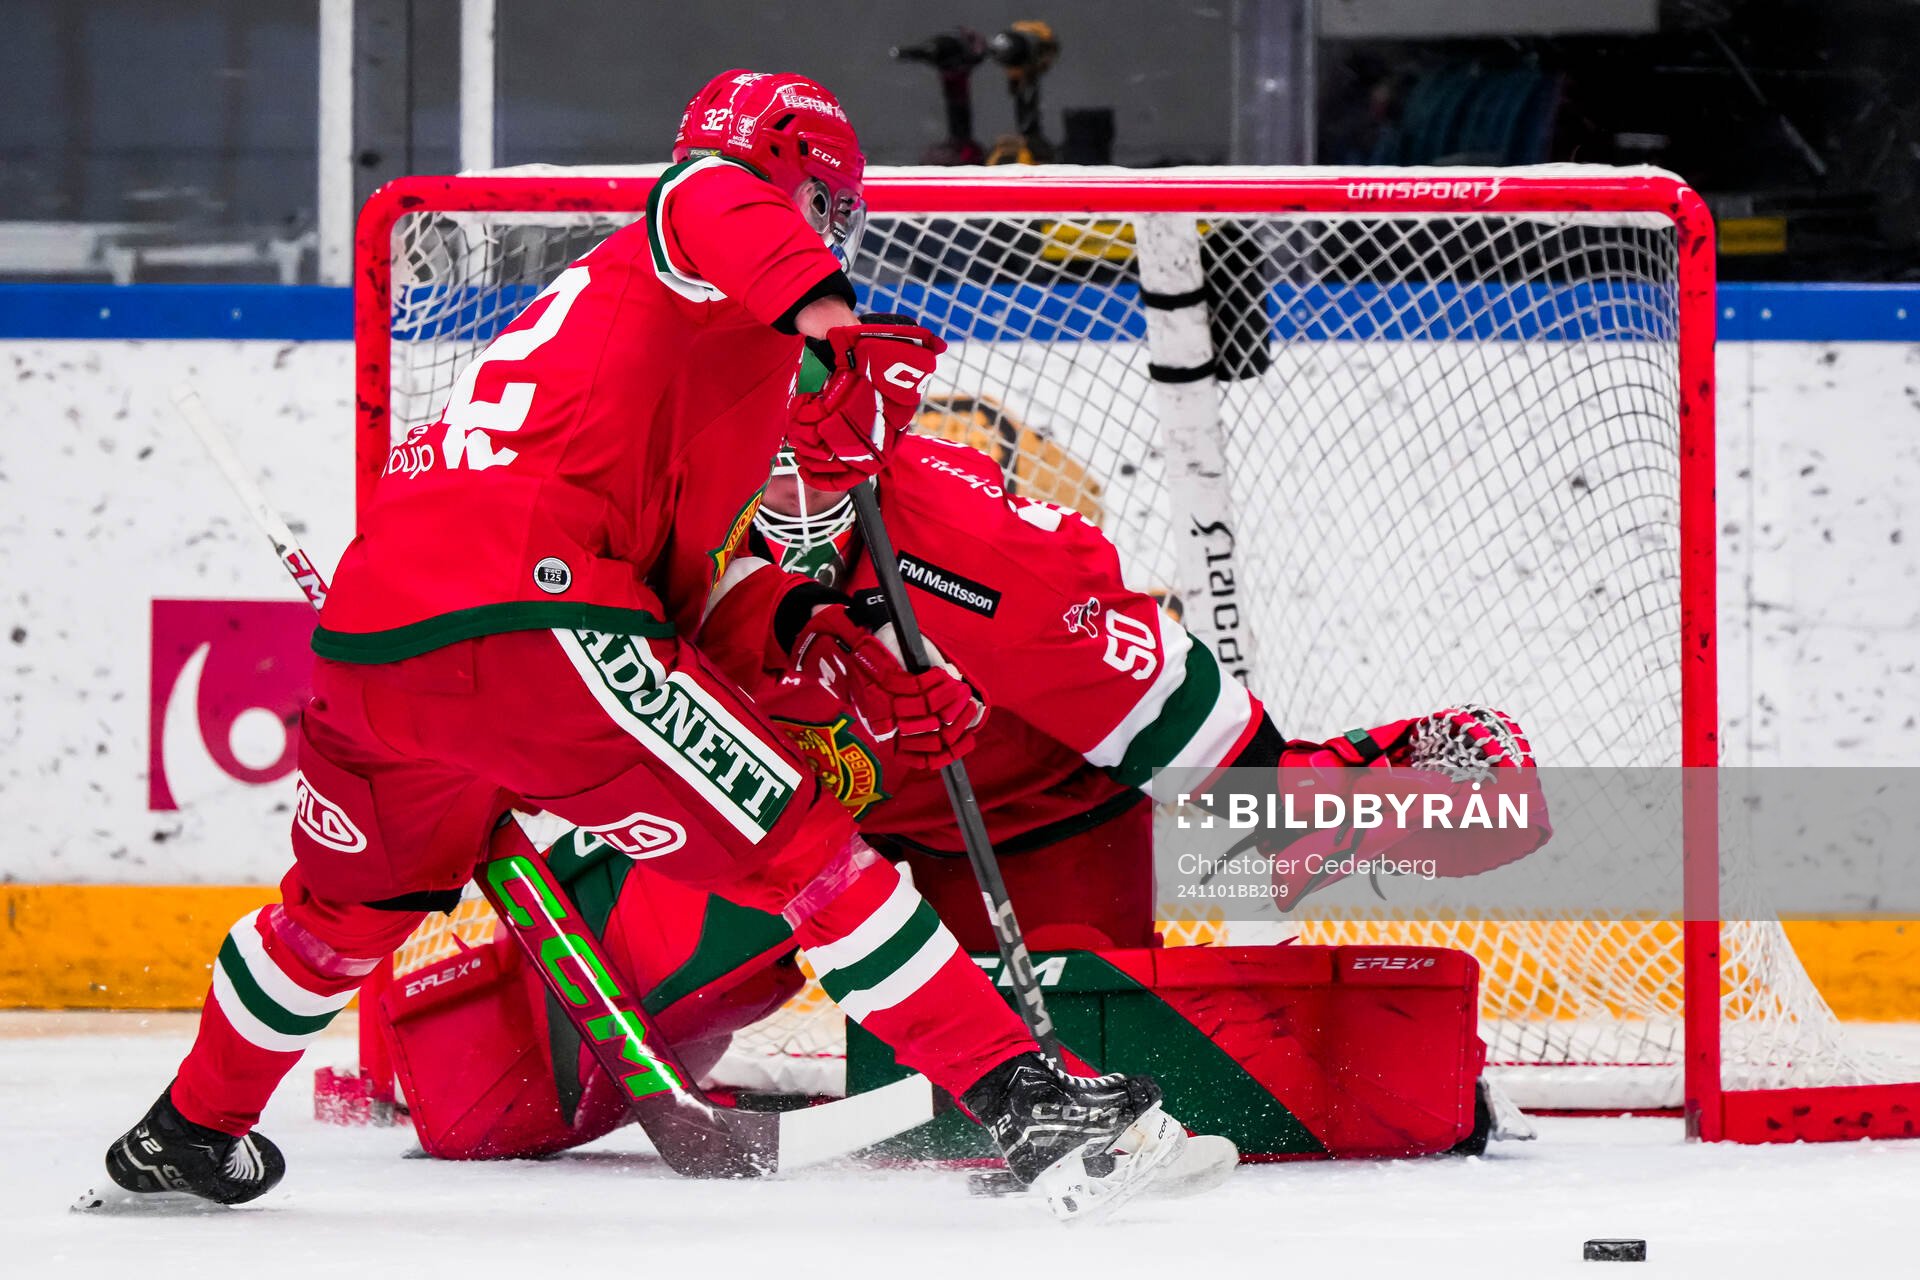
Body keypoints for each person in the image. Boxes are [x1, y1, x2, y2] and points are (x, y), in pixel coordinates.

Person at [95, 69, 1198, 1220]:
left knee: (336, 913)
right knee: (809, 853)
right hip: (536, 605)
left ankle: (186, 1130)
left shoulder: (675, 361)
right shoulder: (693, 237)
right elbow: (714, 193)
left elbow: (692, 589)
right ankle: (1040, 1107)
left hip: (383, 635)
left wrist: (810, 633)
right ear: (797, 190)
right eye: (827, 210)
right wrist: (833, 325)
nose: (834, 239)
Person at [363, 361, 1553, 1164]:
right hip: (796, 832)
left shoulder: (987, 566)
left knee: (1088, 1067)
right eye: (747, 462)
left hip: (1035, 825)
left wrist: (1345, 813)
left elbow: (1224, 771)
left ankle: (1422, 773)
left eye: (806, 473)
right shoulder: (634, 499)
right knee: (503, 1098)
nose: (769, 498)